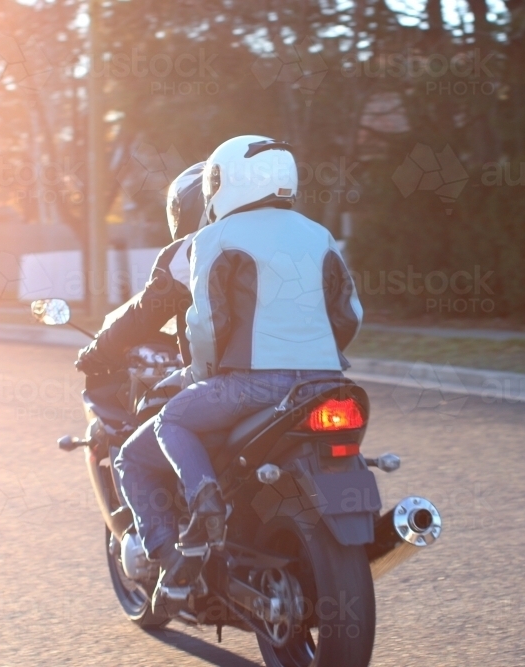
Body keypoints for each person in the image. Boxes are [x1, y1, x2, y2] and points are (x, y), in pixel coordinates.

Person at [130, 135, 364, 597]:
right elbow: (349, 314)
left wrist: (199, 376)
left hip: (251, 387)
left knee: (168, 424)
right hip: (323, 384)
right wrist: (315, 356)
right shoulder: (318, 234)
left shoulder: (215, 238)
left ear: (226, 181)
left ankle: (203, 502)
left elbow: (207, 324)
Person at [74, 161, 206, 375]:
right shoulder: (274, 238)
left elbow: (144, 316)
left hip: (221, 381)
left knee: (159, 408)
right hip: (275, 380)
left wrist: (97, 351)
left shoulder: (191, 250)